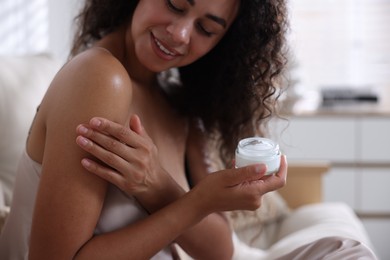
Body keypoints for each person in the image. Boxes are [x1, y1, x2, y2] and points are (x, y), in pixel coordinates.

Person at [0, 0, 289, 259]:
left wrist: (157, 185)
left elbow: (219, 251)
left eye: (206, 28)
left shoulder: (177, 106)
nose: (180, 34)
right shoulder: (99, 77)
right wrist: (198, 201)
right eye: (175, 5)